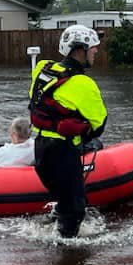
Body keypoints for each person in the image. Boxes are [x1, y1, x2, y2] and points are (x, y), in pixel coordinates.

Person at [28, 25, 107, 238]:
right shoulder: (83, 84)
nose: (96, 52)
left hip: (41, 150)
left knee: (65, 201)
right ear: (80, 50)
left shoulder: (42, 68)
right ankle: (66, 263)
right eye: (93, 48)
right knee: (73, 212)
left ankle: (55, 232)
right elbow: (99, 125)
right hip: (63, 152)